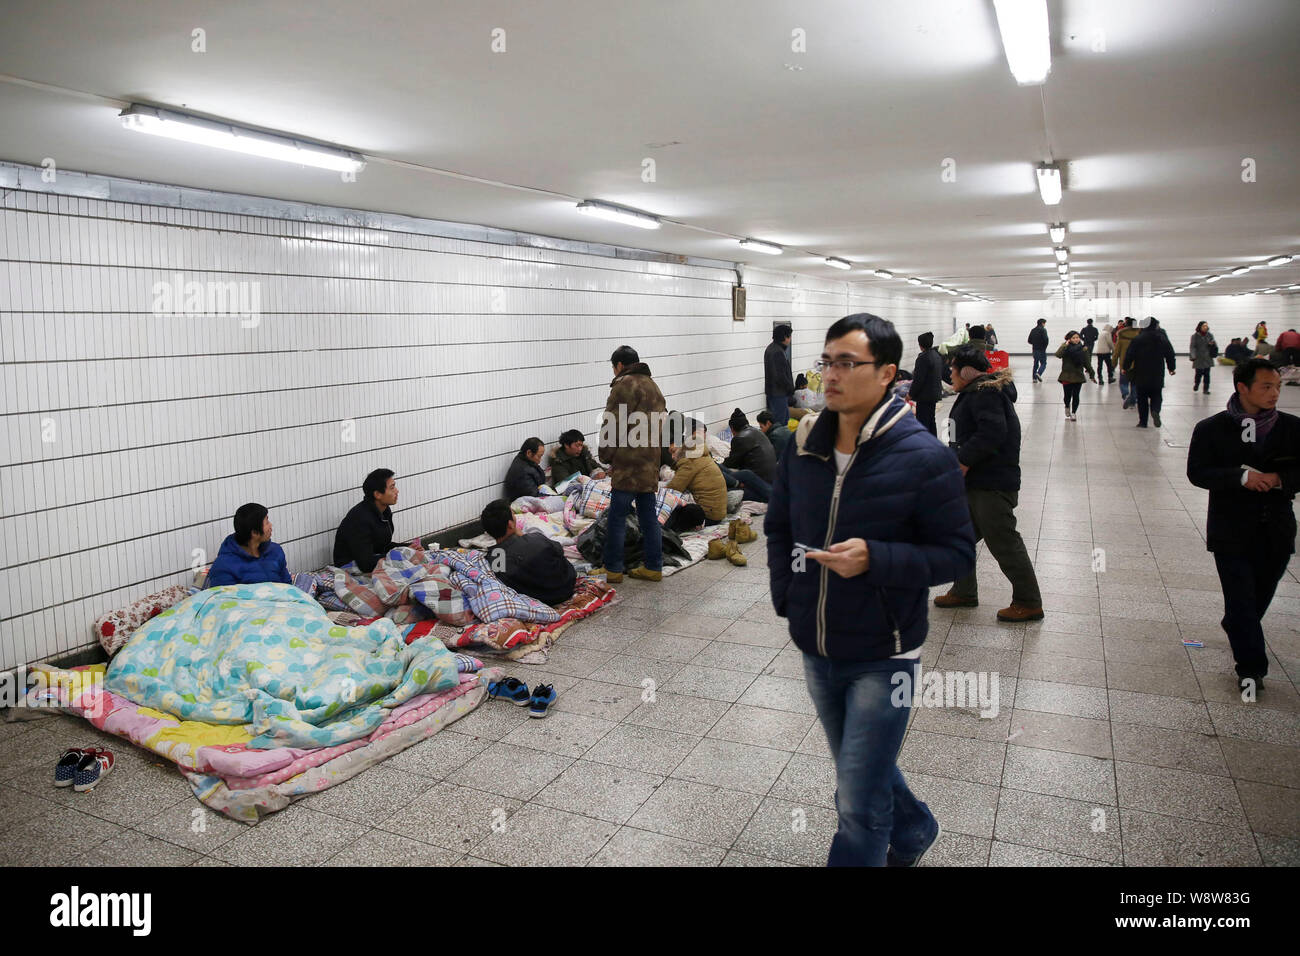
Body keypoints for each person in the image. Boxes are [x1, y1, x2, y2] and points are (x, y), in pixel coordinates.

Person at [764, 312, 976, 867]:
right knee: (860, 769)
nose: (830, 375)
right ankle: (913, 829)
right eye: (826, 362)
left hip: (886, 652)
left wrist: (876, 559)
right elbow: (779, 525)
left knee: (856, 801)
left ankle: (889, 840)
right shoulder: (802, 445)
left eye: (847, 363)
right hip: (816, 642)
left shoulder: (924, 457)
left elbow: (957, 554)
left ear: (885, 374)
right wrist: (787, 597)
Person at [1187, 359, 1300, 696]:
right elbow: (1198, 473)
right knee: (1240, 600)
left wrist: (1281, 479)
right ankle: (1252, 669)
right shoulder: (1211, 429)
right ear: (1242, 387)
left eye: (1277, 386)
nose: (1274, 393)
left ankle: (1238, 625)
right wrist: (1240, 477)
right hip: (1230, 530)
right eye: (1266, 386)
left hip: (1277, 530)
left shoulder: (1293, 429)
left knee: (1256, 599)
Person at [935, 347, 1044, 621]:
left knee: (1003, 541)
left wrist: (962, 462)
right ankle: (964, 591)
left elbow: (992, 433)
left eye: (953, 368)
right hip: (977, 483)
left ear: (968, 372)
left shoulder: (985, 394)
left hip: (991, 485)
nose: (950, 373)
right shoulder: (976, 393)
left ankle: (1028, 601)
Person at [596, 345, 666, 583]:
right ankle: (654, 566)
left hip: (628, 462)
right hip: (650, 462)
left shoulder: (623, 385)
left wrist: (605, 455)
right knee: (648, 516)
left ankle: (614, 568)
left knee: (617, 516)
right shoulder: (653, 386)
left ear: (619, 366)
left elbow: (612, 423)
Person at [481, 500, 576, 606]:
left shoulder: (494, 559)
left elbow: (501, 584)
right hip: (567, 586)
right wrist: (523, 536)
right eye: (513, 514)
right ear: (510, 524)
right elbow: (559, 550)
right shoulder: (536, 538)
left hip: (540, 600)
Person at [207, 503, 291, 587]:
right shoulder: (224, 566)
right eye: (267, 522)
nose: (271, 525)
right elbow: (224, 598)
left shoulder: (275, 551)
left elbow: (288, 586)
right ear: (254, 533)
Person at [334, 469, 399, 573]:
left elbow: (383, 546)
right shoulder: (359, 519)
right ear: (377, 494)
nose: (397, 491)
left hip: (370, 560)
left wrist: (409, 547)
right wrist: (400, 555)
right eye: (392, 488)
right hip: (351, 566)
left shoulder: (384, 510)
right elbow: (366, 563)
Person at [667, 425, 728, 523]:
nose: (672, 456)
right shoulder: (699, 454)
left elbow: (672, 490)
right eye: (670, 453)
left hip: (708, 516)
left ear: (682, 448)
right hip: (718, 512)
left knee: (671, 510)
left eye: (674, 452)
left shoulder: (689, 462)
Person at [1122, 316, 1177, 428]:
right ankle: (1155, 410)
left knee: (1142, 398)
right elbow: (1170, 354)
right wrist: (1171, 368)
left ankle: (1143, 422)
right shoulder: (1162, 338)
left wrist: (1125, 367)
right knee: (1157, 394)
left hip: (1141, 372)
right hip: (1157, 372)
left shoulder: (1138, 339)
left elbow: (1130, 354)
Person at [719, 408, 777, 502]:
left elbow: (731, 464)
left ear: (732, 428)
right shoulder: (758, 431)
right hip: (771, 479)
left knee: (730, 490)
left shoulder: (740, 438)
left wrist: (720, 465)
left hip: (757, 481)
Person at [1055, 330, 1096, 421]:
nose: (1076, 339)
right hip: (1067, 375)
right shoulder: (1065, 347)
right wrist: (1064, 345)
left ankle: (1073, 413)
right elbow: (1058, 355)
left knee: (1076, 395)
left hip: (1078, 375)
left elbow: (1087, 363)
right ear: (1069, 339)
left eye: (1077, 337)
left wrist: (1092, 374)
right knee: (1067, 396)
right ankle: (1067, 406)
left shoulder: (1083, 348)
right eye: (1073, 338)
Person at [910, 331, 943, 436]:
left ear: (920, 345)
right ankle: (933, 443)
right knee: (931, 421)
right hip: (934, 394)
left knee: (923, 422)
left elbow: (918, 380)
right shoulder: (936, 355)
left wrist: (910, 394)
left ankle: (925, 444)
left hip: (924, 396)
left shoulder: (923, 358)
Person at [765, 324, 795, 428]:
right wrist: (790, 388)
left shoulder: (771, 348)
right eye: (789, 336)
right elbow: (779, 375)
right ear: (785, 337)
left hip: (774, 392)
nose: (790, 339)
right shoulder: (777, 352)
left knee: (780, 421)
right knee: (781, 423)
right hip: (779, 393)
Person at [1114, 317, 1140, 408]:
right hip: (1137, 364)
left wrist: (1113, 364)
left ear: (1126, 324)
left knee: (1123, 382)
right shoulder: (1140, 335)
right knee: (1134, 383)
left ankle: (1125, 395)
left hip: (1124, 363)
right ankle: (1132, 401)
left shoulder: (1121, 335)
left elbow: (1116, 351)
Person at [1189, 322, 1219, 394]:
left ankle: (1206, 389)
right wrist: (1193, 355)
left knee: (1207, 374)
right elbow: (1192, 346)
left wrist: (1212, 344)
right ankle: (1197, 384)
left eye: (1206, 326)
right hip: (1198, 357)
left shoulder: (1210, 335)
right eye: (1204, 326)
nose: (1205, 327)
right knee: (1198, 373)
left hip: (1207, 357)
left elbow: (1214, 344)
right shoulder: (1195, 336)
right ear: (1200, 327)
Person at [1027, 318, 1049, 383]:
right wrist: (1044, 347)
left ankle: (1034, 379)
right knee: (1043, 363)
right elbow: (1046, 340)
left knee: (1036, 363)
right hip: (1042, 349)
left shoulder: (1033, 330)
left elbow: (1029, 340)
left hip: (1035, 349)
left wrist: (1034, 343)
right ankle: (1039, 373)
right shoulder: (1043, 330)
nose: (1045, 325)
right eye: (1044, 323)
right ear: (1042, 323)